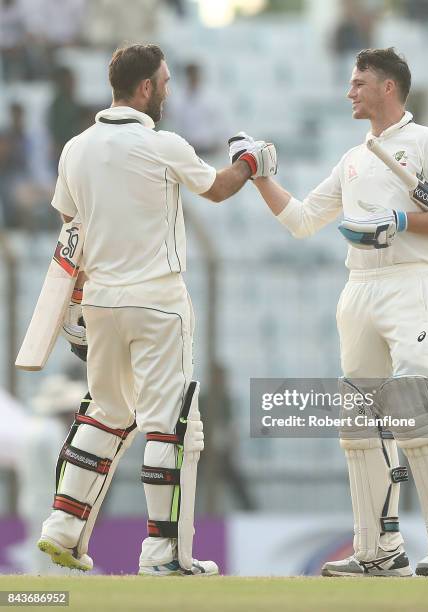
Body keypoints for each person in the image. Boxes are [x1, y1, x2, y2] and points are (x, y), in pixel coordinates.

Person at [231, 47, 428, 577]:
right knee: (358, 424)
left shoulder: (426, 143)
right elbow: (300, 220)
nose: (350, 91)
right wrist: (258, 176)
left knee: (415, 408)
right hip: (359, 286)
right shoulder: (353, 158)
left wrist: (401, 220)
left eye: (359, 82)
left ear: (387, 87)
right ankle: (378, 550)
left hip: (412, 283)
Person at [37, 43, 276, 577]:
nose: (167, 90)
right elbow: (216, 189)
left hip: (101, 304)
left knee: (106, 412)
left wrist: (73, 303)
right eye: (163, 82)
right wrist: (251, 160)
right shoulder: (160, 143)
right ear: (144, 88)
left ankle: (62, 528)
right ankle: (164, 553)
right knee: (170, 426)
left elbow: (68, 231)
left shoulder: (76, 148)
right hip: (158, 305)